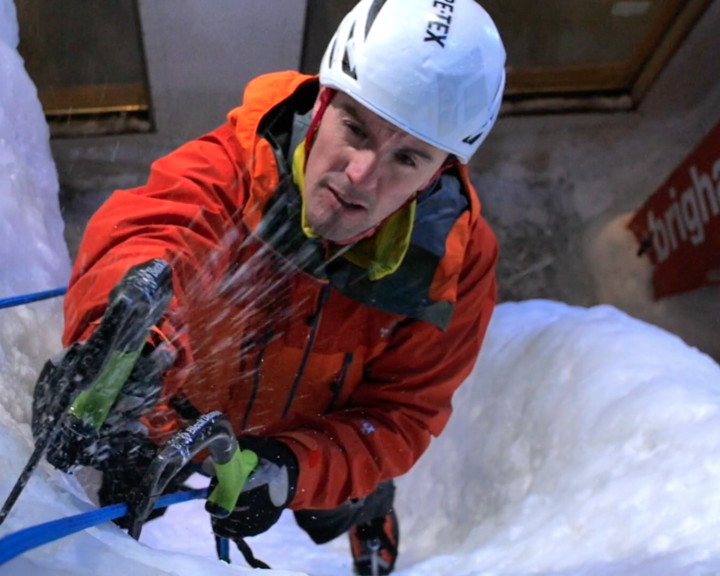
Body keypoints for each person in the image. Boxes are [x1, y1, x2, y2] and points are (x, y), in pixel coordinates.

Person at [36, 0, 505, 573]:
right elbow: (150, 234)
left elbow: (401, 411)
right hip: (187, 411)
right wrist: (121, 344)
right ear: (323, 99)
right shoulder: (244, 158)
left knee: (336, 503)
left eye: (407, 158)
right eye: (355, 127)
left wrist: (291, 469)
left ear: (441, 173)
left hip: (316, 432)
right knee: (121, 491)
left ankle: (370, 511)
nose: (360, 175)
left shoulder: (452, 261)